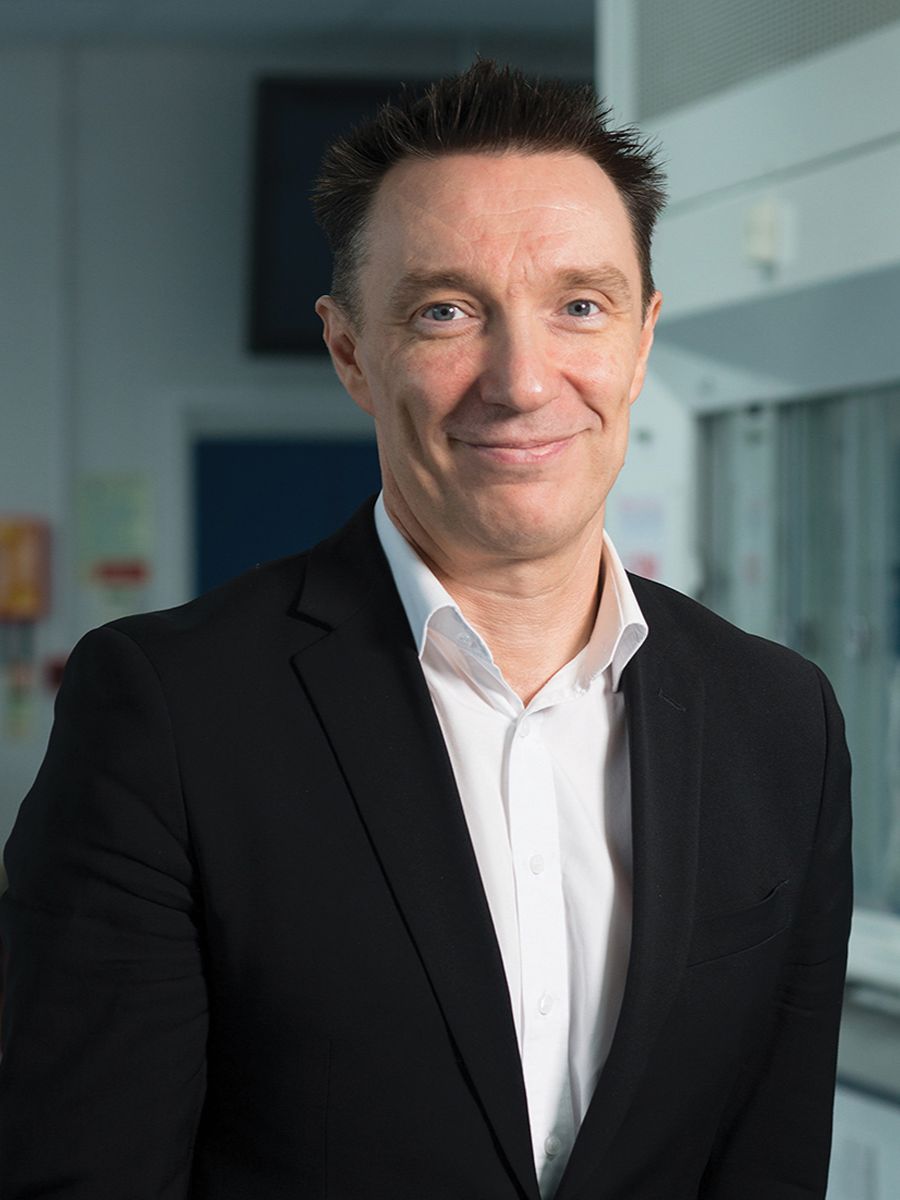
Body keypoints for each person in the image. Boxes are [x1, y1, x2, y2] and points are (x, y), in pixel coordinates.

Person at [0, 61, 851, 1200]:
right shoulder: (168, 712)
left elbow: (772, 1164)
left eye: (580, 307)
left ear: (643, 340)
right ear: (351, 350)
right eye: (448, 310)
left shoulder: (781, 723)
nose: (520, 379)